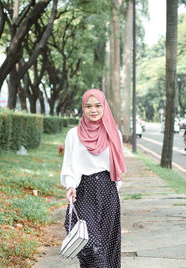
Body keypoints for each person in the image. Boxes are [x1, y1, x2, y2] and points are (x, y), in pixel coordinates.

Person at [61, 88, 126, 268]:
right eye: (88, 106)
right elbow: (69, 165)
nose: (93, 110)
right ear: (83, 108)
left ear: (104, 107)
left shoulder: (114, 134)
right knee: (91, 246)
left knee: (106, 244)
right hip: (84, 192)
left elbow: (116, 167)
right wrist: (70, 185)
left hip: (108, 191)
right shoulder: (73, 135)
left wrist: (117, 191)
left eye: (98, 105)